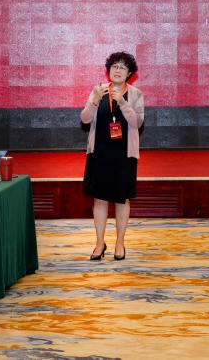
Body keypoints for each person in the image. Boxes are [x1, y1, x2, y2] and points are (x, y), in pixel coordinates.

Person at [81, 51, 144, 261]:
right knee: (99, 199)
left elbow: (137, 123)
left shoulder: (135, 94)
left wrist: (123, 103)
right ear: (108, 70)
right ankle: (100, 243)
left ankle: (119, 243)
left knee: (121, 199)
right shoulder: (98, 90)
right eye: (114, 66)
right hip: (100, 152)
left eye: (122, 67)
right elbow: (85, 119)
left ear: (129, 73)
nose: (117, 70)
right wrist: (94, 101)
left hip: (124, 155)